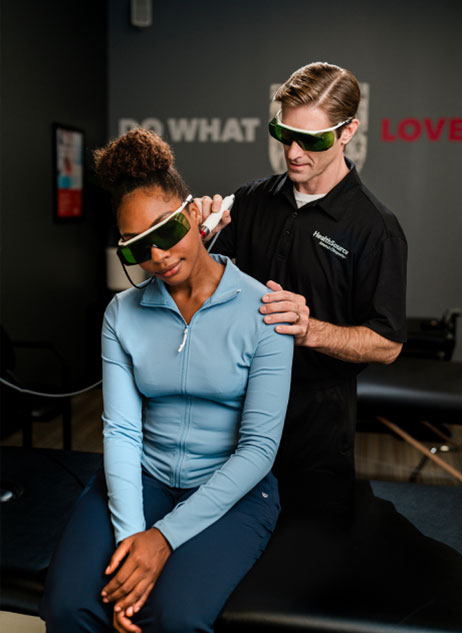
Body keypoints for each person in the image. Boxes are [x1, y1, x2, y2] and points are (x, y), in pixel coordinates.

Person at [40, 128, 293, 633]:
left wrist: (164, 539)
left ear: (194, 213)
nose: (157, 255)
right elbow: (121, 431)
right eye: (137, 247)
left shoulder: (264, 311)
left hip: (233, 491)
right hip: (146, 478)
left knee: (173, 618)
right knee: (69, 606)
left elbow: (258, 449)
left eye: (166, 228)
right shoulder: (122, 315)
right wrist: (133, 537)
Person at [200, 61, 407, 515]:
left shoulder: (375, 228)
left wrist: (310, 329)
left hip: (313, 427)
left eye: (311, 140)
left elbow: (387, 344)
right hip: (233, 411)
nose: (293, 152)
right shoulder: (253, 200)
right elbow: (200, 276)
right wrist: (192, 235)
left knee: (306, 554)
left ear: (348, 131)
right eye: (283, 134)